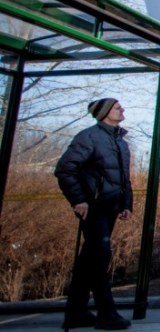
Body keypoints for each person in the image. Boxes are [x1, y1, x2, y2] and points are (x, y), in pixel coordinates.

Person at [54, 98, 133, 331]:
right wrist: (79, 199)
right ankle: (107, 314)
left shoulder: (120, 142)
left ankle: (75, 313)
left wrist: (126, 203)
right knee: (100, 256)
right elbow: (65, 169)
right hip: (94, 207)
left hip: (110, 207)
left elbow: (122, 177)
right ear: (105, 112)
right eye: (118, 107)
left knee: (89, 260)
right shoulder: (88, 137)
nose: (122, 110)